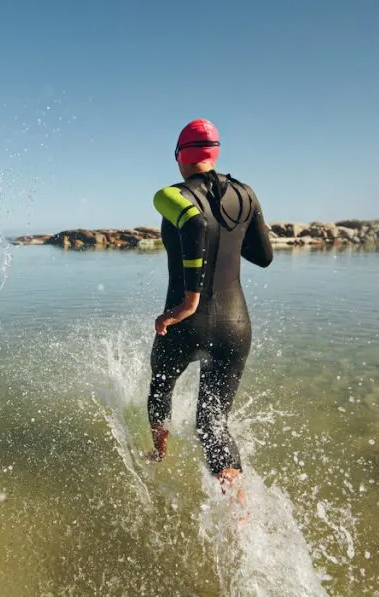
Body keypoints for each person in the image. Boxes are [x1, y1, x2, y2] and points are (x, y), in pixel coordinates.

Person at [144, 118, 273, 499]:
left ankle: (158, 453)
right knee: (213, 423)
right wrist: (231, 234)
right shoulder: (246, 194)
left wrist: (190, 301)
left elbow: (196, 225)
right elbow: (264, 256)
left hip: (185, 323)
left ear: (180, 156)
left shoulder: (169, 194)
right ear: (214, 154)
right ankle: (237, 499)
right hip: (235, 325)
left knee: (160, 387)